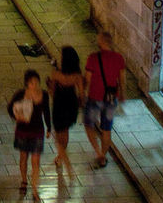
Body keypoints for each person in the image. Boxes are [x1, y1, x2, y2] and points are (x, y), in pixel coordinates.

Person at [7, 69, 51, 201]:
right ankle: (24, 180)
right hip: (23, 130)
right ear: (27, 84)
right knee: (23, 157)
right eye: (32, 83)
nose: (35, 85)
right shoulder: (20, 94)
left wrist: (49, 127)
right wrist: (17, 117)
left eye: (37, 82)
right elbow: (10, 108)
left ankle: (35, 189)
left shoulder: (44, 94)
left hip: (37, 131)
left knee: (36, 161)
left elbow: (46, 111)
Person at [84, 31, 126, 168]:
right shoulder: (119, 58)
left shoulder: (93, 58)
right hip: (111, 99)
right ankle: (103, 155)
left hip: (94, 97)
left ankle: (98, 153)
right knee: (106, 129)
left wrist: (83, 92)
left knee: (89, 125)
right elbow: (122, 79)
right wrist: (122, 94)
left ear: (101, 42)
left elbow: (87, 79)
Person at [48, 45, 86, 179]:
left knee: (58, 137)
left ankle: (67, 164)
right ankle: (60, 157)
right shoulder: (77, 76)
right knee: (65, 132)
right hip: (71, 106)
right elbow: (81, 95)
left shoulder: (56, 74)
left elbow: (52, 91)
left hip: (59, 105)